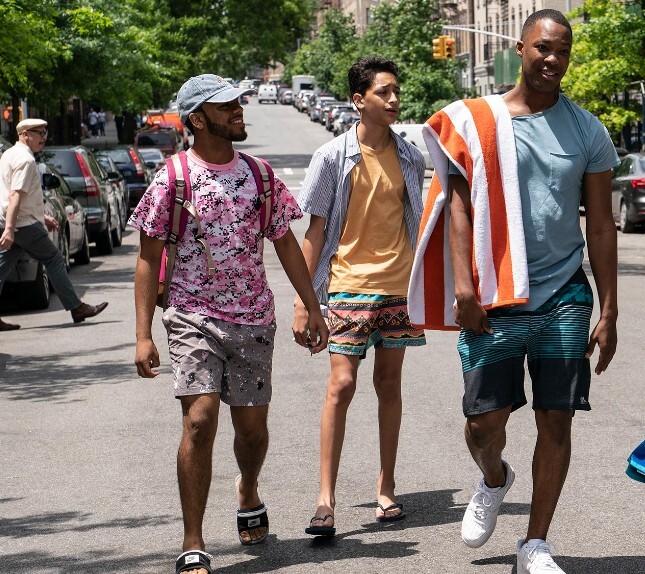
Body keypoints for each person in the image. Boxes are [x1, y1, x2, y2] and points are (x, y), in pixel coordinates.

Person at [409, 10, 618, 573]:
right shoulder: (477, 121)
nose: (554, 59)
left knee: (557, 418)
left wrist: (610, 309)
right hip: (494, 297)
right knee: (484, 422)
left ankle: (535, 544)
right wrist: (464, 287)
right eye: (544, 48)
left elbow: (601, 226)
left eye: (563, 51)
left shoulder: (587, 130)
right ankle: (494, 477)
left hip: (565, 295)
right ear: (521, 48)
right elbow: (456, 205)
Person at [130, 74, 327, 574]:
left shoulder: (260, 175)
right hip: (192, 315)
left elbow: (285, 242)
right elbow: (148, 258)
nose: (239, 109)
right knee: (199, 421)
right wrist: (142, 334)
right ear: (198, 119)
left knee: (252, 430)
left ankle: (248, 488)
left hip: (254, 318)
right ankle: (193, 540)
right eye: (226, 106)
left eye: (238, 102)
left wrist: (312, 304)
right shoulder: (173, 178)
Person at [295, 56, 426, 538]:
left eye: (396, 91)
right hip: (348, 285)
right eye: (383, 92)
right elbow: (315, 232)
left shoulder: (410, 156)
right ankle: (325, 499)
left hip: (398, 286)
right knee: (341, 385)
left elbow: (419, 222)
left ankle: (386, 487)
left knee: (389, 385)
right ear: (358, 100)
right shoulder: (332, 157)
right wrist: (305, 302)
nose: (393, 99)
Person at [0, 118, 108, 332]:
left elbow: (23, 196)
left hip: (8, 221)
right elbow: (15, 196)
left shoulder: (9, 154)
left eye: (45, 133)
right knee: (53, 259)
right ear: (25, 135)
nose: (44, 138)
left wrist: (40, 217)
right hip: (21, 225)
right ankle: (77, 308)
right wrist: (11, 230)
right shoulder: (25, 160)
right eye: (39, 133)